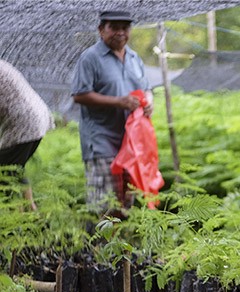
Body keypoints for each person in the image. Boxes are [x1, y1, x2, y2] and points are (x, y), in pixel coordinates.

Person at [71, 10, 153, 219]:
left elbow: (146, 89)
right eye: (114, 28)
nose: (120, 33)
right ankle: (98, 250)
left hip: (130, 142)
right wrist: (119, 102)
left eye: (125, 28)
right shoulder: (90, 58)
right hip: (101, 140)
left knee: (126, 200)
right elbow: (80, 95)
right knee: (105, 202)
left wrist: (148, 103)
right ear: (101, 30)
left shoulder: (135, 58)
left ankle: (121, 249)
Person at [0, 59, 55, 211]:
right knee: (14, 169)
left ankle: (17, 223)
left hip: (24, 123)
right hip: (34, 118)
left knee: (4, 176)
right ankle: (31, 214)